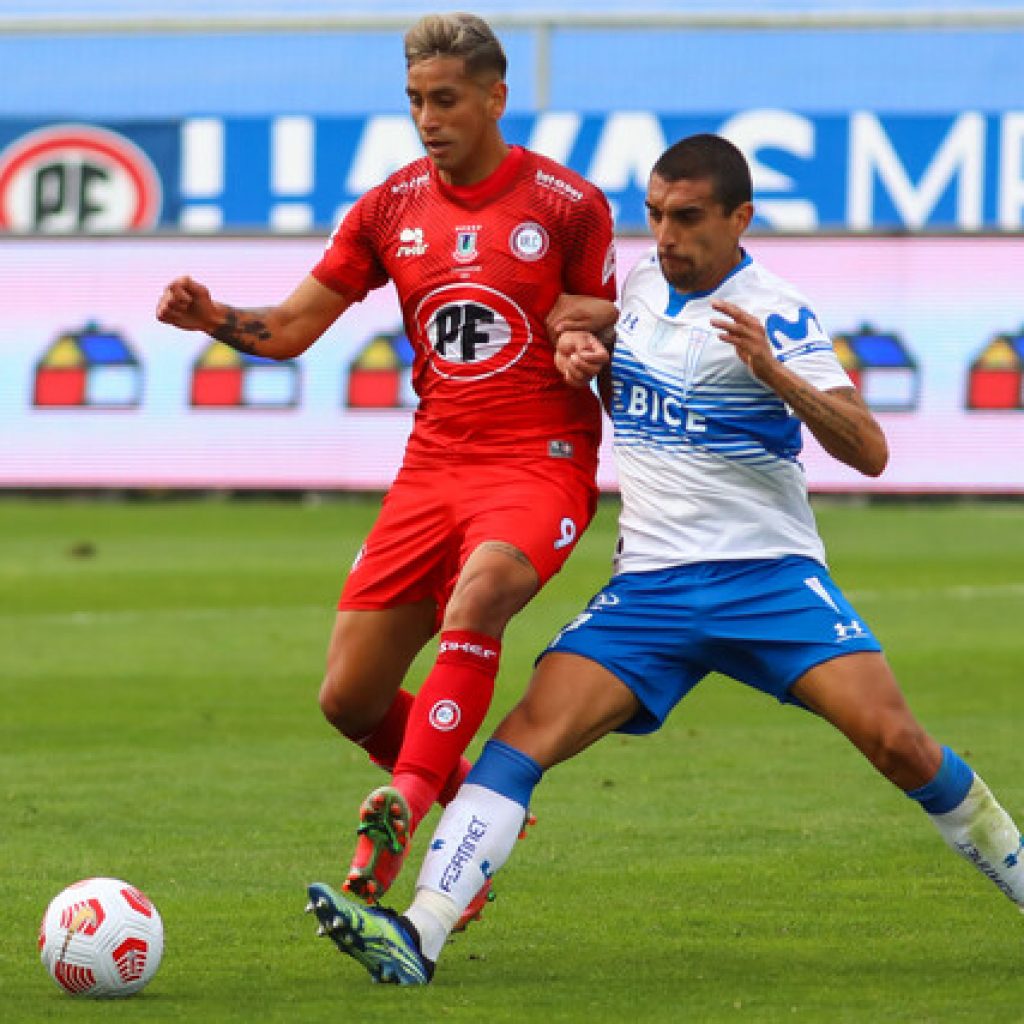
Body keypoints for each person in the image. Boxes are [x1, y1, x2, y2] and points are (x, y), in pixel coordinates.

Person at [303, 133, 1024, 985]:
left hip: (767, 580)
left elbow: (869, 449)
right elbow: (603, 346)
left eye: (687, 218)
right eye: (654, 215)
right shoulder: (639, 287)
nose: (666, 234)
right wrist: (585, 356)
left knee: (899, 743)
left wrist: (777, 376)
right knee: (518, 744)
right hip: (648, 592)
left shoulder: (776, 313)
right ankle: (417, 933)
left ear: (738, 218)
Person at [156, 12, 617, 923]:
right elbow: (289, 329)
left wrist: (584, 343)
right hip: (431, 467)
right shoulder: (390, 207)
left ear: (495, 96)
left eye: (444, 100)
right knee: (348, 696)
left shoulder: (569, 205)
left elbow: (600, 321)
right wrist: (213, 317)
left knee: (478, 598)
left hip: (538, 462)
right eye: (413, 100)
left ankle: (405, 807)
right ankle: (475, 817)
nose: (427, 117)